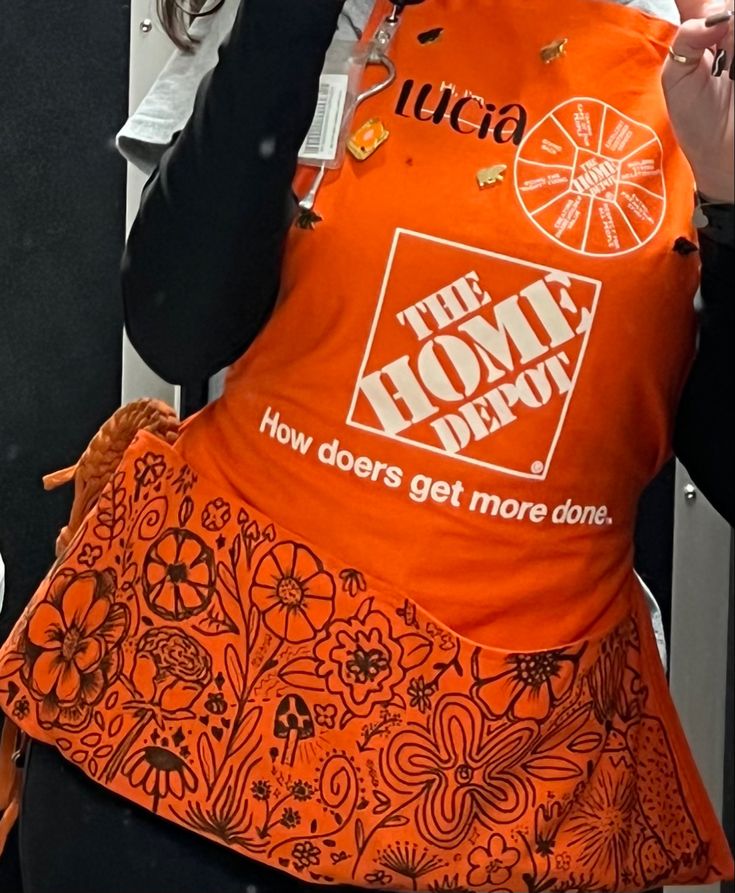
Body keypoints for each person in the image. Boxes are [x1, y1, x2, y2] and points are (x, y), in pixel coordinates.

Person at [0, 1, 733, 892]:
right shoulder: (347, 12)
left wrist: (732, 204)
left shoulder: (711, 41)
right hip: (181, 732)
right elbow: (177, 328)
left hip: (505, 786)